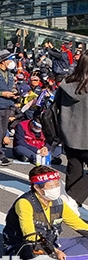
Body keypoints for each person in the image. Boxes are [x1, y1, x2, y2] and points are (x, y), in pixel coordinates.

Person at [2, 166, 88, 260]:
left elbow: (78, 224)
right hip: (26, 247)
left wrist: (55, 250)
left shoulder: (58, 202)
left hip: (51, 243)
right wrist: (55, 251)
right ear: (37, 187)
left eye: (57, 184)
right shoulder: (25, 203)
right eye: (51, 185)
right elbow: (30, 236)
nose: (56, 188)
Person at [56, 54, 88, 205]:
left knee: (74, 169)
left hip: (69, 134)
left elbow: (56, 108)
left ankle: (70, 206)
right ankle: (72, 199)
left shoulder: (66, 83)